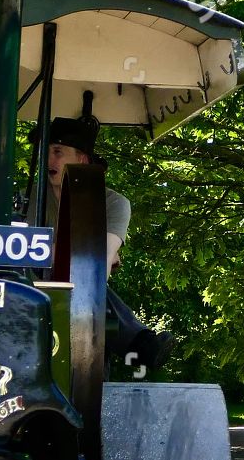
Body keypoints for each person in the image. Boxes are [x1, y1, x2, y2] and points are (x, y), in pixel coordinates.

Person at [43, 115, 173, 374]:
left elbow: (95, 267)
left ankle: (132, 344)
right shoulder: (32, 198)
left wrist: (55, 252)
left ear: (81, 159)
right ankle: (136, 343)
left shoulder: (115, 204)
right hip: (38, 289)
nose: (49, 160)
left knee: (85, 282)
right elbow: (25, 253)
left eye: (57, 152)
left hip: (82, 302)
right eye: (46, 152)